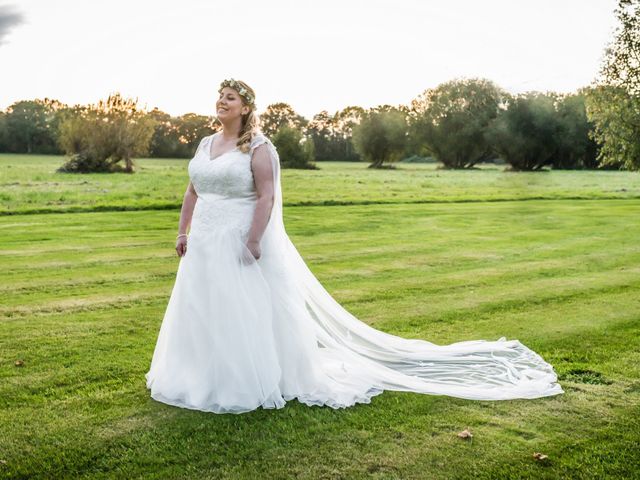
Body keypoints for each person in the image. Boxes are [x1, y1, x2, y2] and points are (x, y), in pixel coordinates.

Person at [145, 78, 564, 414]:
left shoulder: (258, 147)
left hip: (238, 234)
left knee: (243, 308)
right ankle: (198, 374)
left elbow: (267, 196)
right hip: (202, 239)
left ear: (246, 107)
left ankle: (244, 379)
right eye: (219, 96)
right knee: (202, 306)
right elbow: (192, 191)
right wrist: (183, 232)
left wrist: (254, 239)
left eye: (230, 97)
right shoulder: (204, 144)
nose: (222, 102)